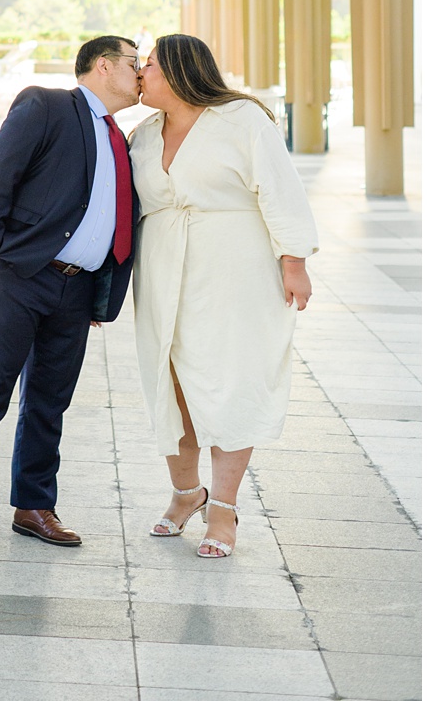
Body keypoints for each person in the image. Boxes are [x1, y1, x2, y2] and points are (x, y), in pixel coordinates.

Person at [0, 34, 141, 556]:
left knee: (50, 400)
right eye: (136, 64)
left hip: (77, 288)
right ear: (103, 66)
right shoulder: (45, 104)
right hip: (19, 276)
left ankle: (33, 506)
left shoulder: (122, 137)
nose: (142, 74)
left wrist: (99, 285)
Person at [128, 33, 318, 560]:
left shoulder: (242, 121)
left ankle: (224, 509)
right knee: (172, 385)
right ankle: (187, 493)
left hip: (235, 269)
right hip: (163, 271)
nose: (140, 73)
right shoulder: (142, 134)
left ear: (178, 71)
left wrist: (294, 261)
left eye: (148, 65)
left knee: (231, 381)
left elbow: (280, 189)